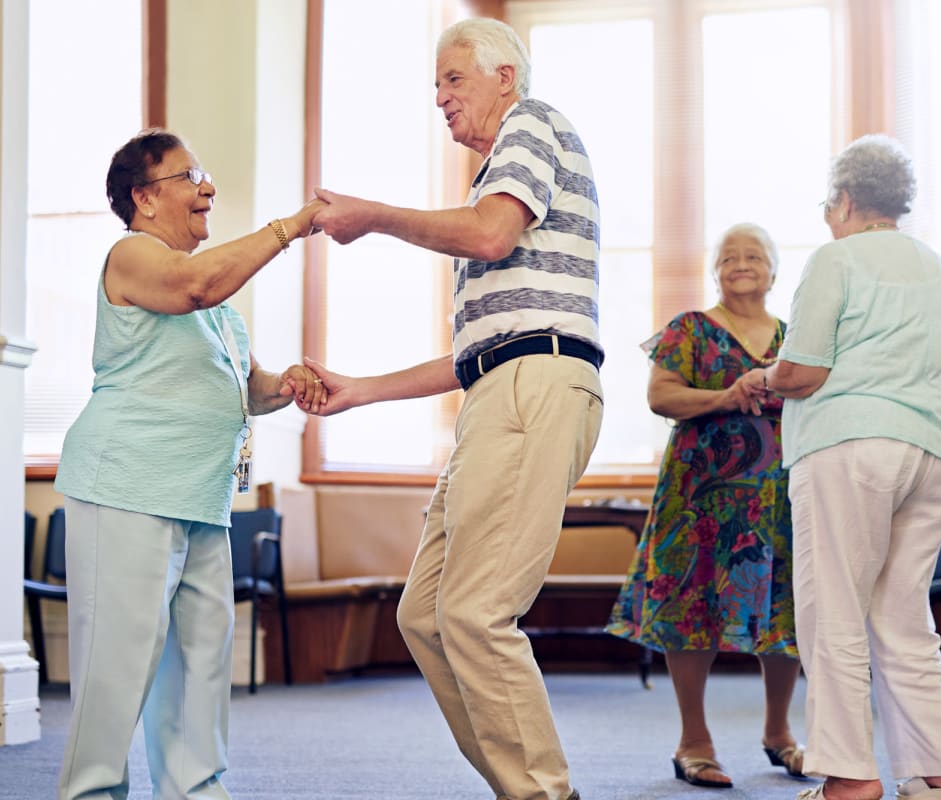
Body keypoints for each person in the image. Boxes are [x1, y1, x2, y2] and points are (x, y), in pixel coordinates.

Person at [306, 18, 602, 800]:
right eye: (436, 85)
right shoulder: (495, 176)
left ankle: (544, 795)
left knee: (473, 613)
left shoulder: (531, 125)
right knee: (427, 614)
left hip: (536, 386)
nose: (439, 98)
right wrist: (362, 389)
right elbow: (478, 352)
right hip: (501, 388)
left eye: (453, 79)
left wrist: (372, 217)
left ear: (506, 77)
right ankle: (523, 788)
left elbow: (492, 237)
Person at [53, 128, 327, 800]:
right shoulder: (133, 257)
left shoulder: (221, 313)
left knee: (203, 662)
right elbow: (194, 285)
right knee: (119, 665)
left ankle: (194, 791)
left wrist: (285, 384)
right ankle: (90, 794)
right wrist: (293, 226)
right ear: (144, 198)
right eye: (190, 176)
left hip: (201, 498)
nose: (207, 188)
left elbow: (246, 387)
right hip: (126, 487)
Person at [739, 134, 941, 800]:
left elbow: (806, 371)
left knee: (833, 612)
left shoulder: (835, 259)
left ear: (844, 200)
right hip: (936, 450)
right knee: (902, 615)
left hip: (852, 445)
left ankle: (849, 777)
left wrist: (766, 377)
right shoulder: (932, 264)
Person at [607, 223, 805, 790]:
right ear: (714, 269)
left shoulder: (796, 337)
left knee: (781, 609)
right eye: (729, 256)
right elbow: (659, 395)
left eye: (754, 255)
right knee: (690, 607)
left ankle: (780, 734)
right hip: (697, 497)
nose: (742, 264)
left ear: (773, 268)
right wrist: (726, 396)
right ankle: (694, 741)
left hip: (776, 497)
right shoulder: (690, 329)